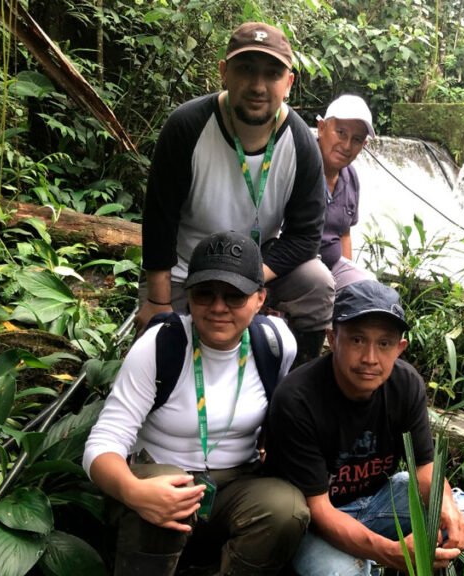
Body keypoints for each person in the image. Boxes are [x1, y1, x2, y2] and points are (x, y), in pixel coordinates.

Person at [84, 231, 309, 575]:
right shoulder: (161, 346)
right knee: (175, 488)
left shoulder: (276, 343)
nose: (218, 307)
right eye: (205, 293)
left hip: (236, 482)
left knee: (286, 508)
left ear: (259, 299)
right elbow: (102, 444)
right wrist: (133, 491)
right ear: (188, 296)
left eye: (235, 296)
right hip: (159, 473)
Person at [137, 21, 333, 367]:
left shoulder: (301, 143)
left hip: (258, 268)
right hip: (187, 270)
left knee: (316, 282)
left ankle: (300, 384)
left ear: (288, 83)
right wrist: (158, 301)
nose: (258, 86)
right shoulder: (187, 127)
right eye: (246, 69)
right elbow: (159, 220)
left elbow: (305, 237)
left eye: (272, 74)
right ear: (224, 73)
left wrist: (247, 280)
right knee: (159, 354)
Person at [264, 280, 464, 575]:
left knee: (461, 512)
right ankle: (373, 558)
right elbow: (319, 510)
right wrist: (391, 552)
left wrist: (447, 510)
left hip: (375, 501)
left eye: (384, 343)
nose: (370, 359)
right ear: (332, 337)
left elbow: (425, 470)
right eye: (357, 340)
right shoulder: (297, 399)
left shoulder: (406, 383)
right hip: (316, 519)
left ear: (400, 348)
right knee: (339, 571)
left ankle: (380, 554)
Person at [316, 94, 377, 291]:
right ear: (322, 128)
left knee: (372, 293)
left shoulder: (351, 177)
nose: (347, 146)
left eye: (357, 140)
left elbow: (344, 233)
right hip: (297, 268)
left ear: (364, 146)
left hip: (332, 268)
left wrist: (347, 276)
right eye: (341, 133)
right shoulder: (299, 163)